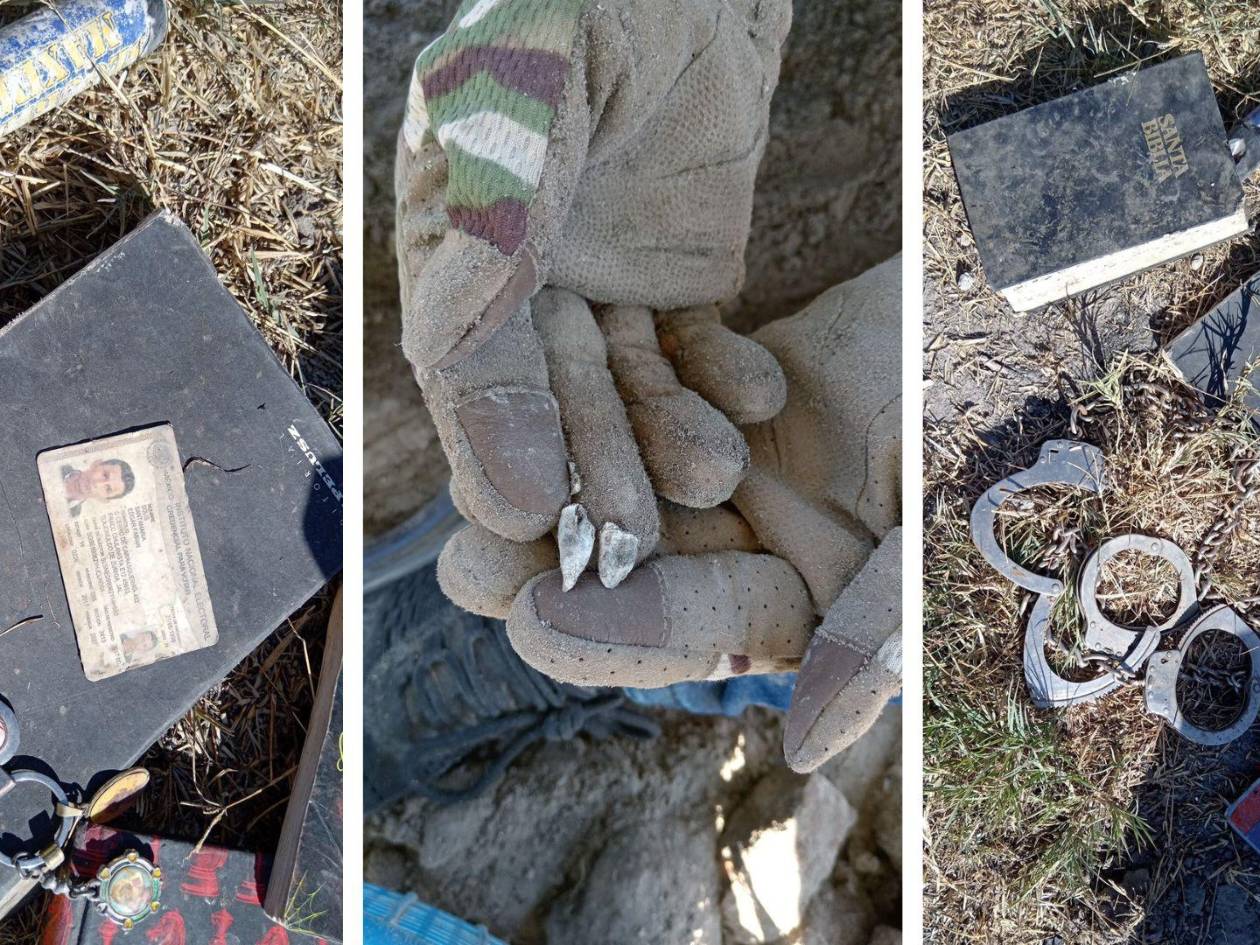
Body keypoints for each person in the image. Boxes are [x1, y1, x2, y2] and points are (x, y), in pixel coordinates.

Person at [61, 458, 135, 517]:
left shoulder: (73, 515)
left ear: (103, 500)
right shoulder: (61, 465)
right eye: (104, 475)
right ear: (96, 464)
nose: (97, 484)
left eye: (108, 489)